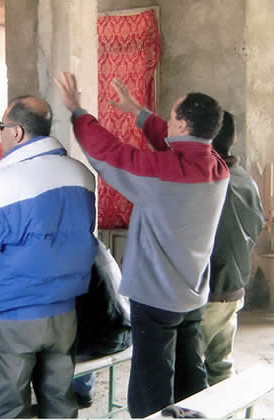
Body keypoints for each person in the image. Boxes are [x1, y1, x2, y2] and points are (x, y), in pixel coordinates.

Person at [56, 73, 230, 418]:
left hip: (156, 296)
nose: (165, 120)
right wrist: (137, 111)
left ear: (181, 122)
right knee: (189, 374)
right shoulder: (216, 166)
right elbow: (178, 146)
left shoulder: (163, 174)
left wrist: (77, 111)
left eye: (170, 115)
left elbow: (110, 154)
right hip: (192, 294)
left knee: (151, 384)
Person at [0, 95, 98, 418]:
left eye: (3, 127)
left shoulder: (2, 182)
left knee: (5, 409)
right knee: (59, 403)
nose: (0, 133)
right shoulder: (82, 175)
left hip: (13, 314)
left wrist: (2, 251)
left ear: (16, 132)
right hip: (64, 314)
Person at [201, 111, 264, 385]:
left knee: (186, 370)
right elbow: (255, 225)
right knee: (221, 364)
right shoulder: (245, 180)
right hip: (234, 285)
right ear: (234, 138)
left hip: (206, 290)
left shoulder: (202, 181)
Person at [74, 240, 131, 408]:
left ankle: (73, 393)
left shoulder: (62, 254)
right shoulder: (95, 244)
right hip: (126, 330)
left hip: (103, 340)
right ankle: (81, 389)